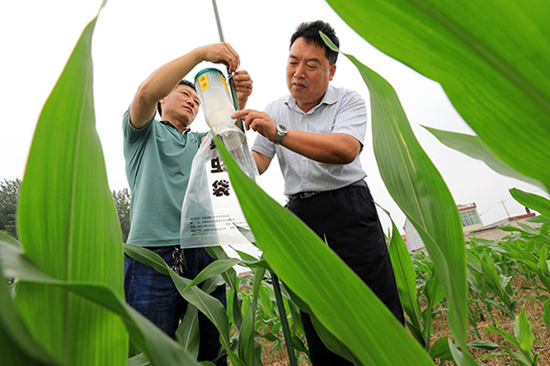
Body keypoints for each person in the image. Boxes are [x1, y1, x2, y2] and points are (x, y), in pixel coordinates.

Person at [232, 21, 404, 365]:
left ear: (331, 70)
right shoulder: (276, 109)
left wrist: (279, 133)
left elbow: (344, 150)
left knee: (375, 304)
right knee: (319, 313)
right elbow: (254, 166)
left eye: (311, 65)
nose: (299, 72)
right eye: (293, 61)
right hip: (301, 217)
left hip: (349, 209)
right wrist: (236, 110)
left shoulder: (349, 102)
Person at [123, 42, 252, 365]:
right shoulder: (143, 134)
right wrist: (200, 56)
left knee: (213, 349)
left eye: (198, 100)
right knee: (153, 353)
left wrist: (238, 99)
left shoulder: (200, 142)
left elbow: (231, 143)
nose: (194, 101)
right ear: (164, 99)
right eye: (185, 95)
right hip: (153, 257)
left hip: (205, 252)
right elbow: (144, 94)